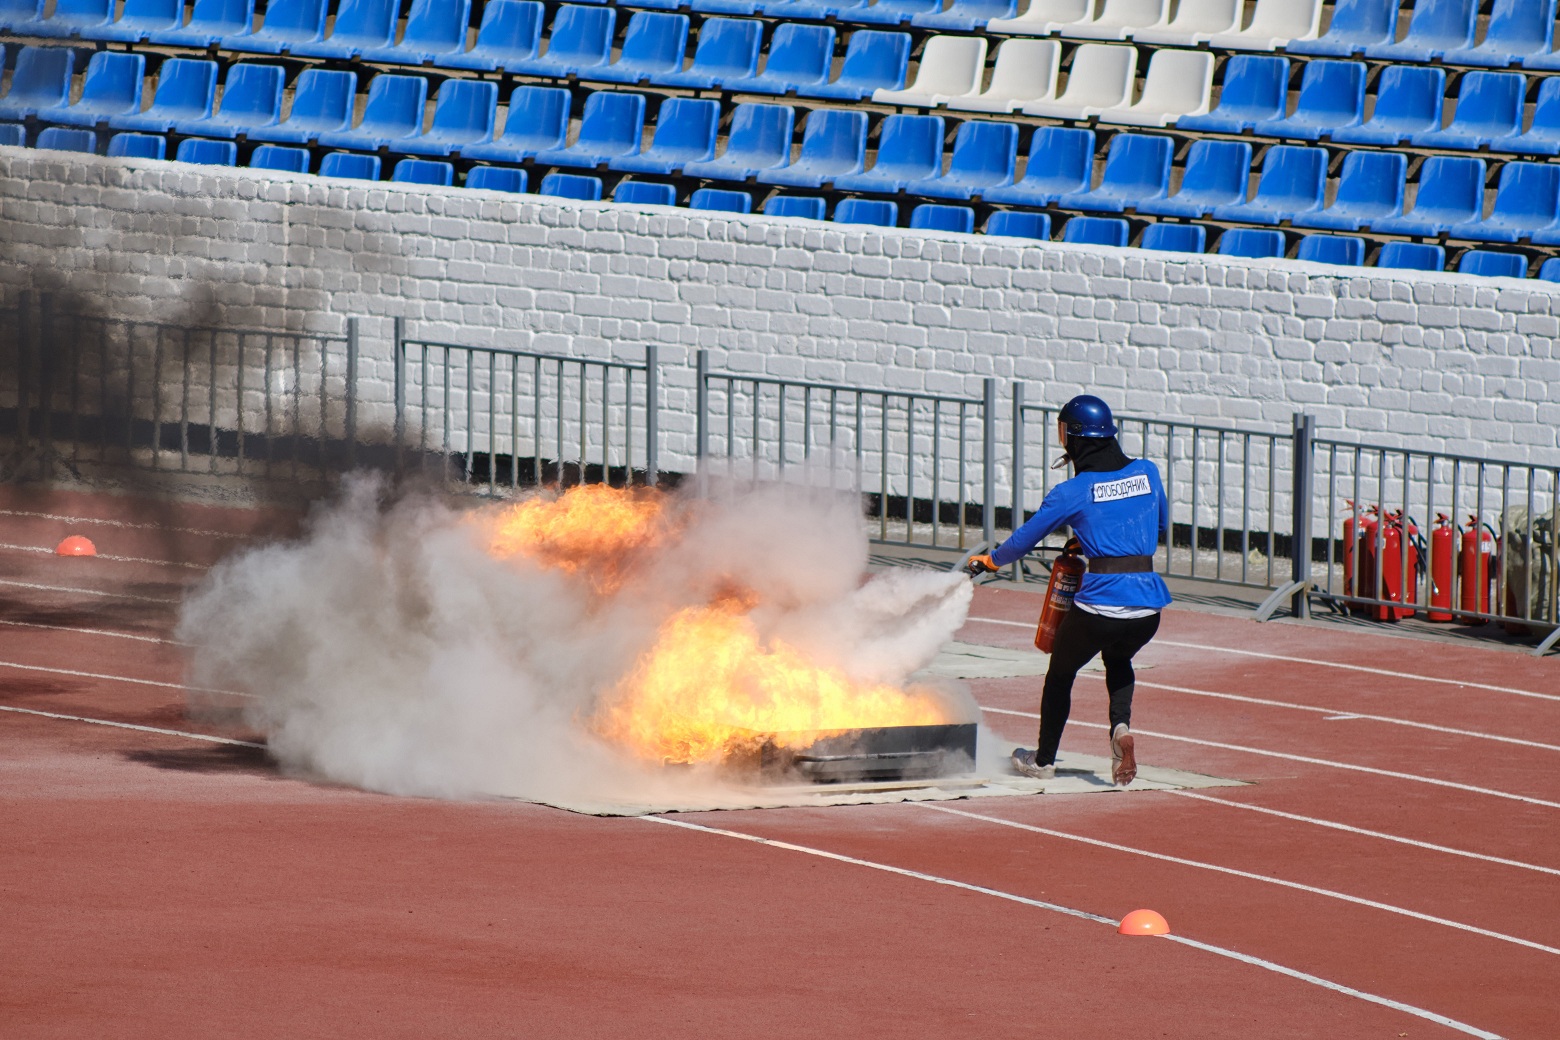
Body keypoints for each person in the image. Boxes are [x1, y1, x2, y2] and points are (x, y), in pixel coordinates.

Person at [967, 394, 1170, 786]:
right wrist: (1091, 539)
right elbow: (1157, 527)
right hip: (1148, 609)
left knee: (1060, 674)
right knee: (1118, 660)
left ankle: (1042, 760)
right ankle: (1120, 728)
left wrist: (992, 560)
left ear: (1073, 437)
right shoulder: (1147, 471)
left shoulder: (1074, 490)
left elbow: (1024, 539)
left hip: (1101, 608)